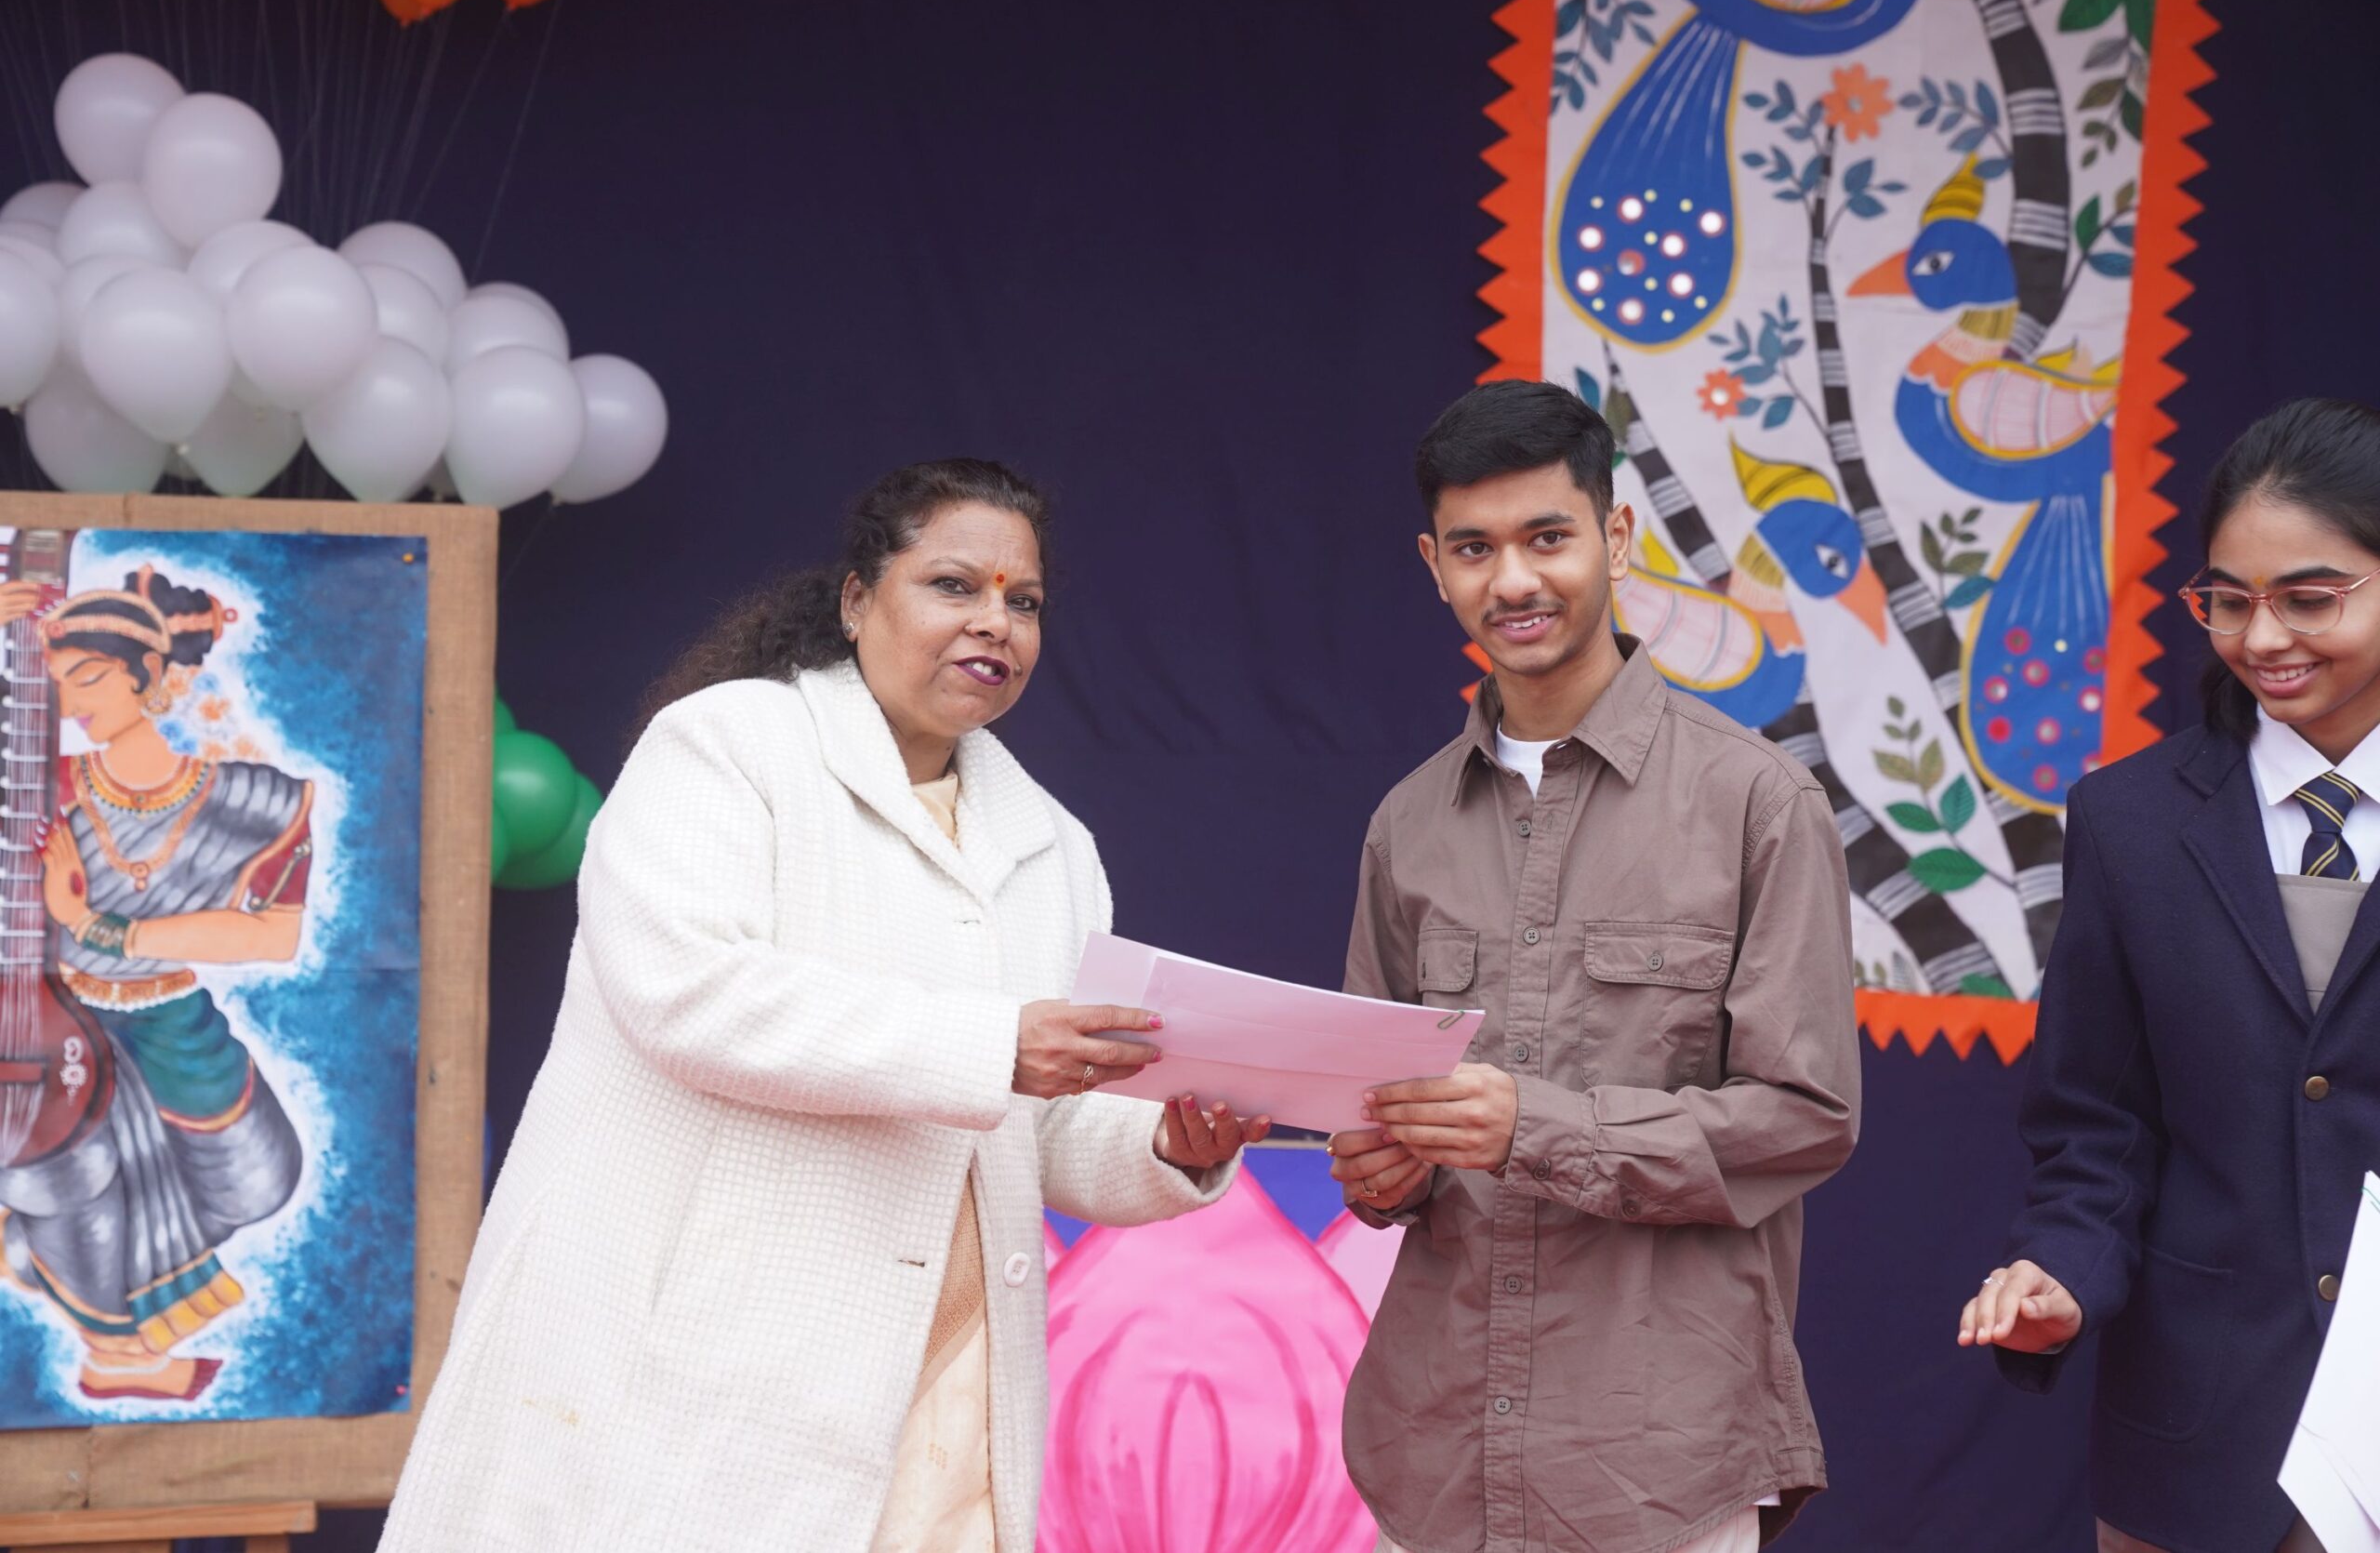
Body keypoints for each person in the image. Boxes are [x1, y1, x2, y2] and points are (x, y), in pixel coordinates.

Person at [379, 459, 1267, 1553]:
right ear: (856, 600)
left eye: (1024, 601)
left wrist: (1168, 1146)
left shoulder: (1055, 846)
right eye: (953, 585)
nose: (995, 622)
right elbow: (690, 994)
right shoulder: (724, 746)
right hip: (705, 1360)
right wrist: (996, 1044)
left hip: (949, 1377)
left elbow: (1042, 1130)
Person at [1325, 380, 1861, 1553]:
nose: (1512, 580)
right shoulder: (1405, 825)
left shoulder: (1757, 804)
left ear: (1615, 538)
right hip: (1438, 1447)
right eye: (1474, 548)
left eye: (1546, 537)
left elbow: (1804, 1119)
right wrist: (1377, 1168)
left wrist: (1536, 1125)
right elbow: (1379, 1131)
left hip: (1657, 1457)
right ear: (1433, 566)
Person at [1962, 398, 2380, 1553]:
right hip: (2201, 1448)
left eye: (2309, 598)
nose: (2263, 637)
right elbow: (2096, 1127)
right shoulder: (2128, 820)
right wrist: (2058, 1271)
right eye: (2228, 601)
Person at [0, 565, 308, 1405]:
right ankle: (112, 1350)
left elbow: (274, 935)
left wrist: (100, 925)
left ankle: (39, 1251)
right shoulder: (42, 789)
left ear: (147, 675)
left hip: (173, 1019)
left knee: (259, 1180)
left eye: (90, 678)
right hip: (56, 1029)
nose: (73, 702)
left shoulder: (256, 801)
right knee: (69, 1179)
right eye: (58, 684)